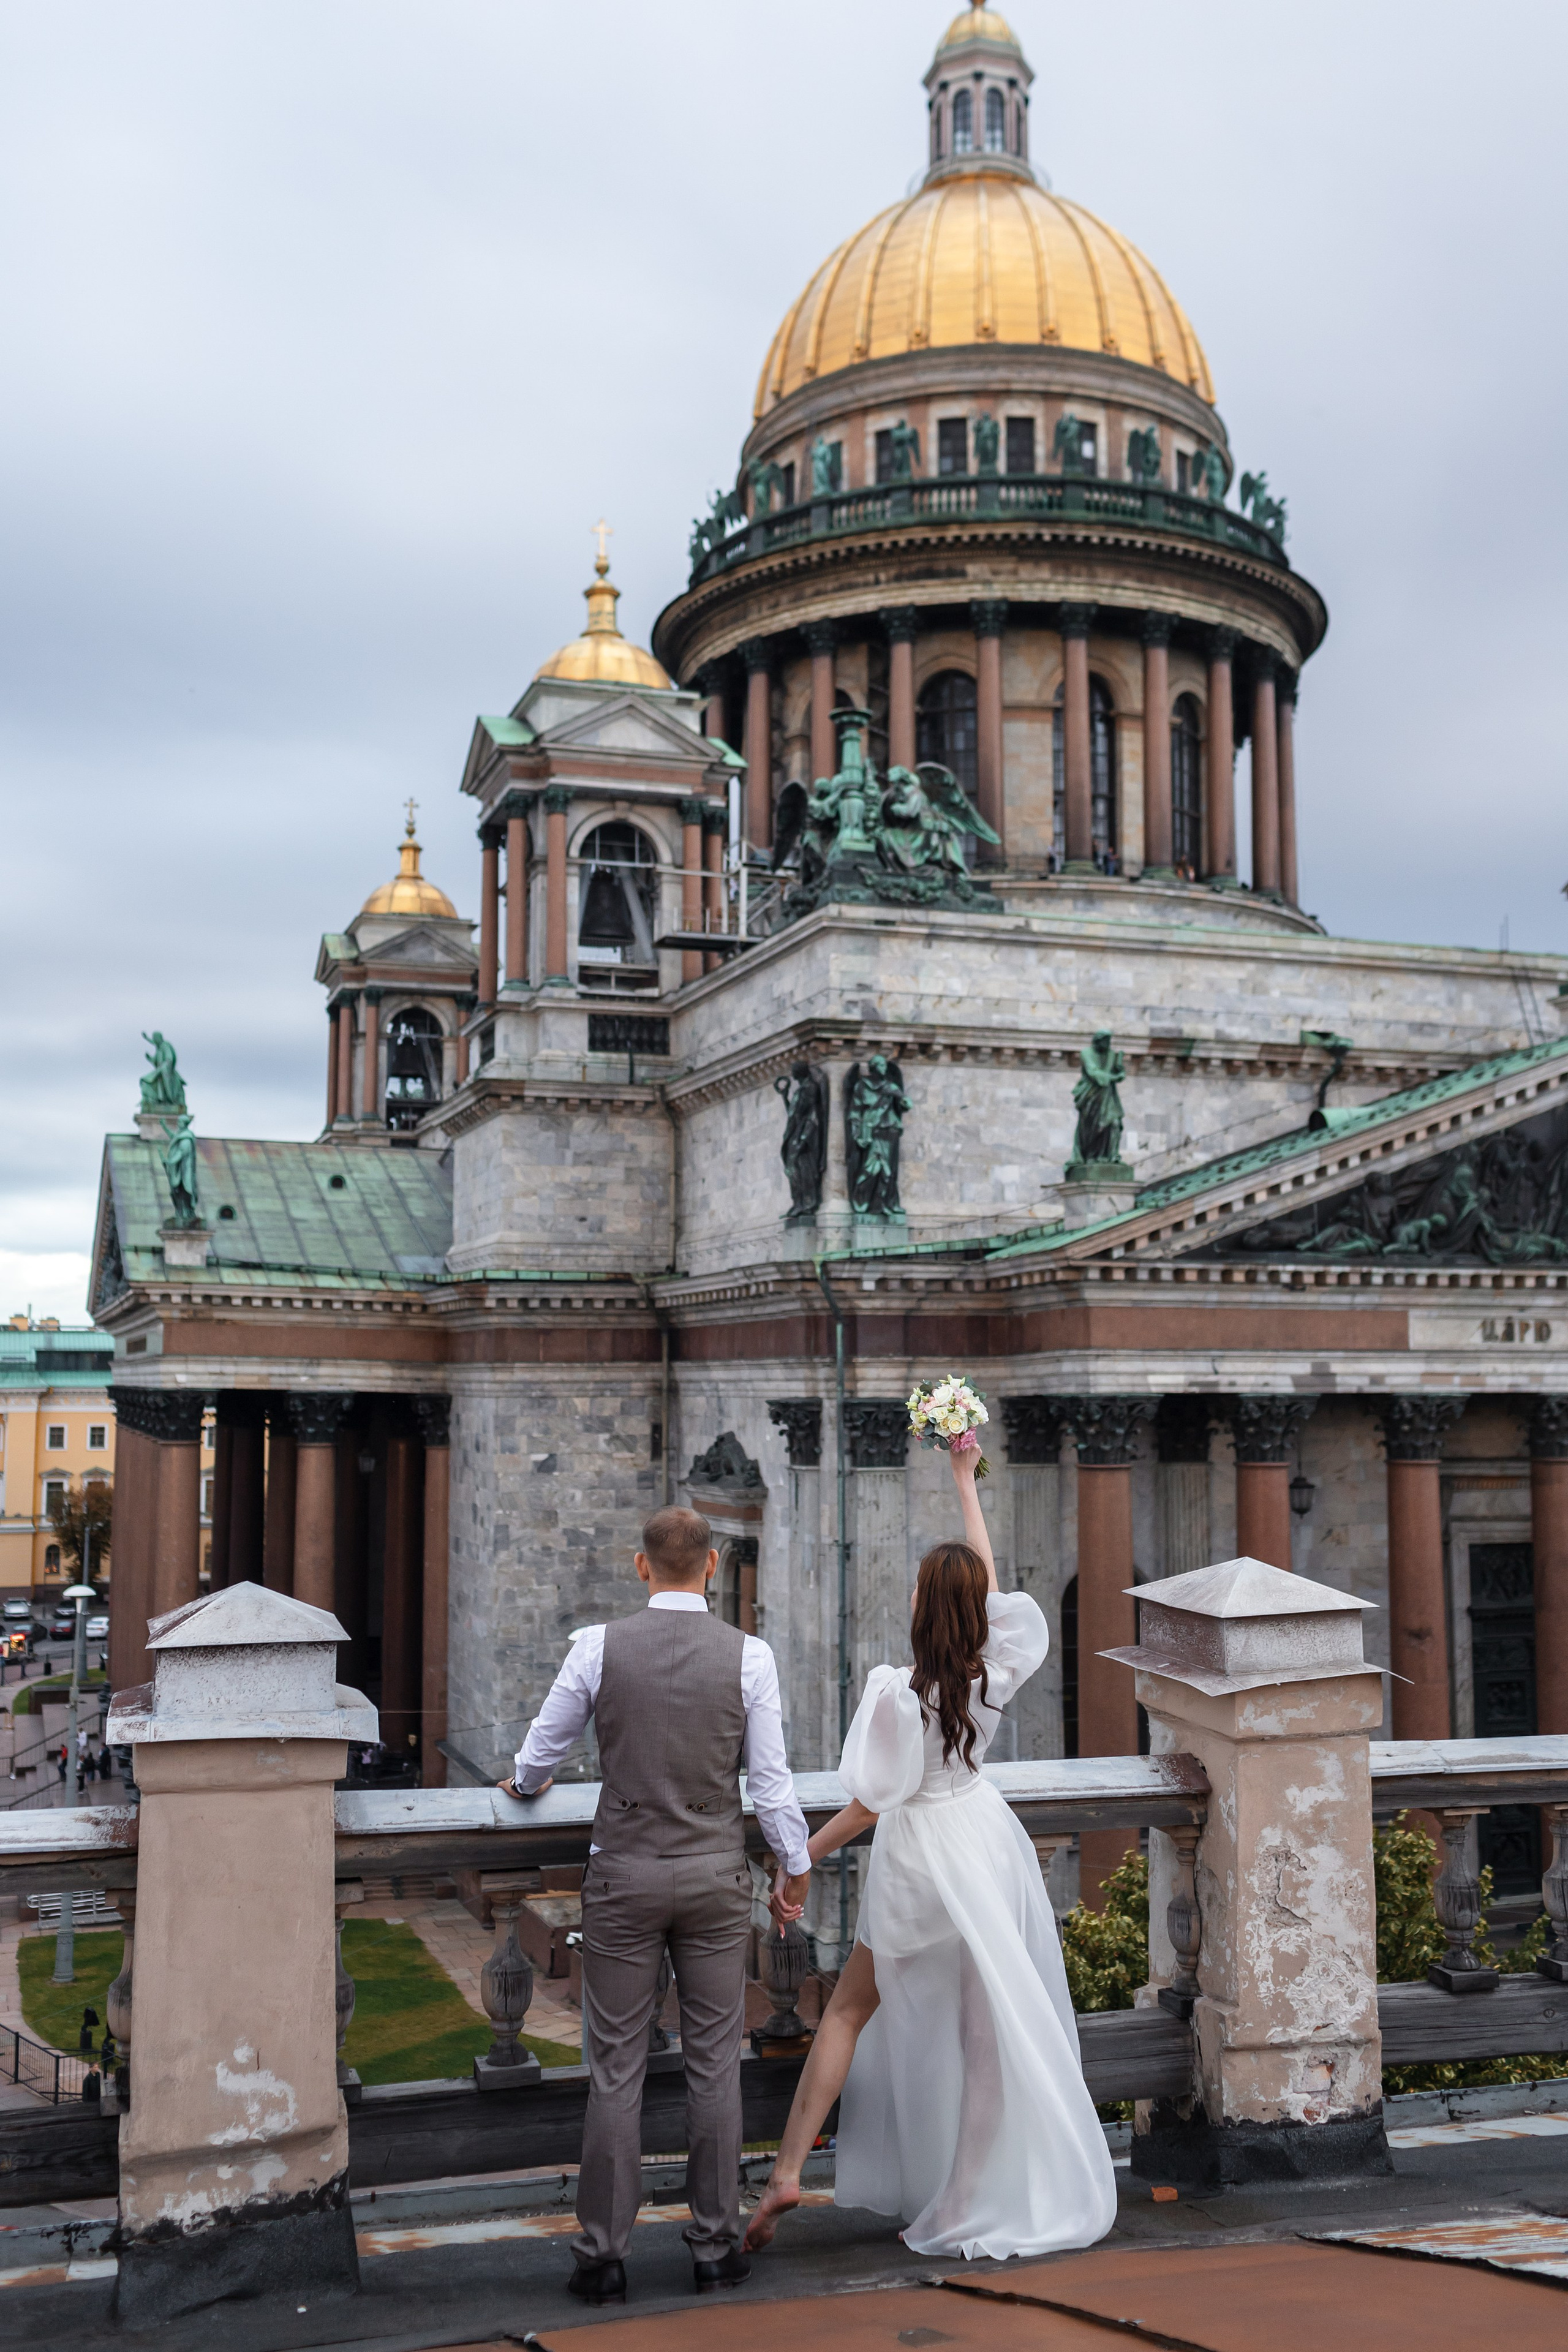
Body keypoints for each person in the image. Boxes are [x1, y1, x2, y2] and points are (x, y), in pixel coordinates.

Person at [746, 1436, 1118, 2263]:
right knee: (987, 2037)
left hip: (920, 1857)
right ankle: (964, 2194)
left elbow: (873, 1802)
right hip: (984, 1843)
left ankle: (786, 2169)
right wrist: (963, 1480)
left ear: (923, 1606)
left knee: (847, 2009)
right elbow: (988, 1582)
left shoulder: (899, 1695)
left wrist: (800, 1856)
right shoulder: (994, 1670)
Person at [499, 1504, 812, 2308]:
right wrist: (796, 1866)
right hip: (713, 1877)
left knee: (616, 2071)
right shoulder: (750, 1655)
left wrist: (526, 1785)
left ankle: (603, 2257)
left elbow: (542, 1753)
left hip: (625, 1875)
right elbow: (770, 1782)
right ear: (711, 1567)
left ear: (643, 1567)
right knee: (716, 2066)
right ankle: (714, 2247)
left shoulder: (599, 1647)